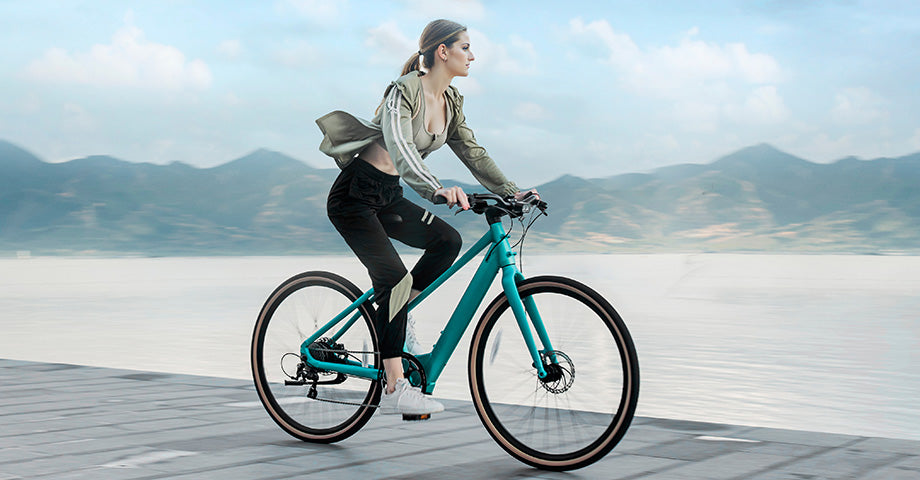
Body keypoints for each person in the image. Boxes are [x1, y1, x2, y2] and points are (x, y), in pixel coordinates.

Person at [316, 19, 538, 416]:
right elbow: (401, 147)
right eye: (466, 47)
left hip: (388, 197)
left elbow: (473, 152)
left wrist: (512, 191)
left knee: (447, 242)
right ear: (443, 51)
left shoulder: (451, 103)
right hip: (354, 197)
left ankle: (396, 315)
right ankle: (394, 387)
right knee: (395, 279)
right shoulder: (404, 93)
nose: (472, 55)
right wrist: (435, 187)